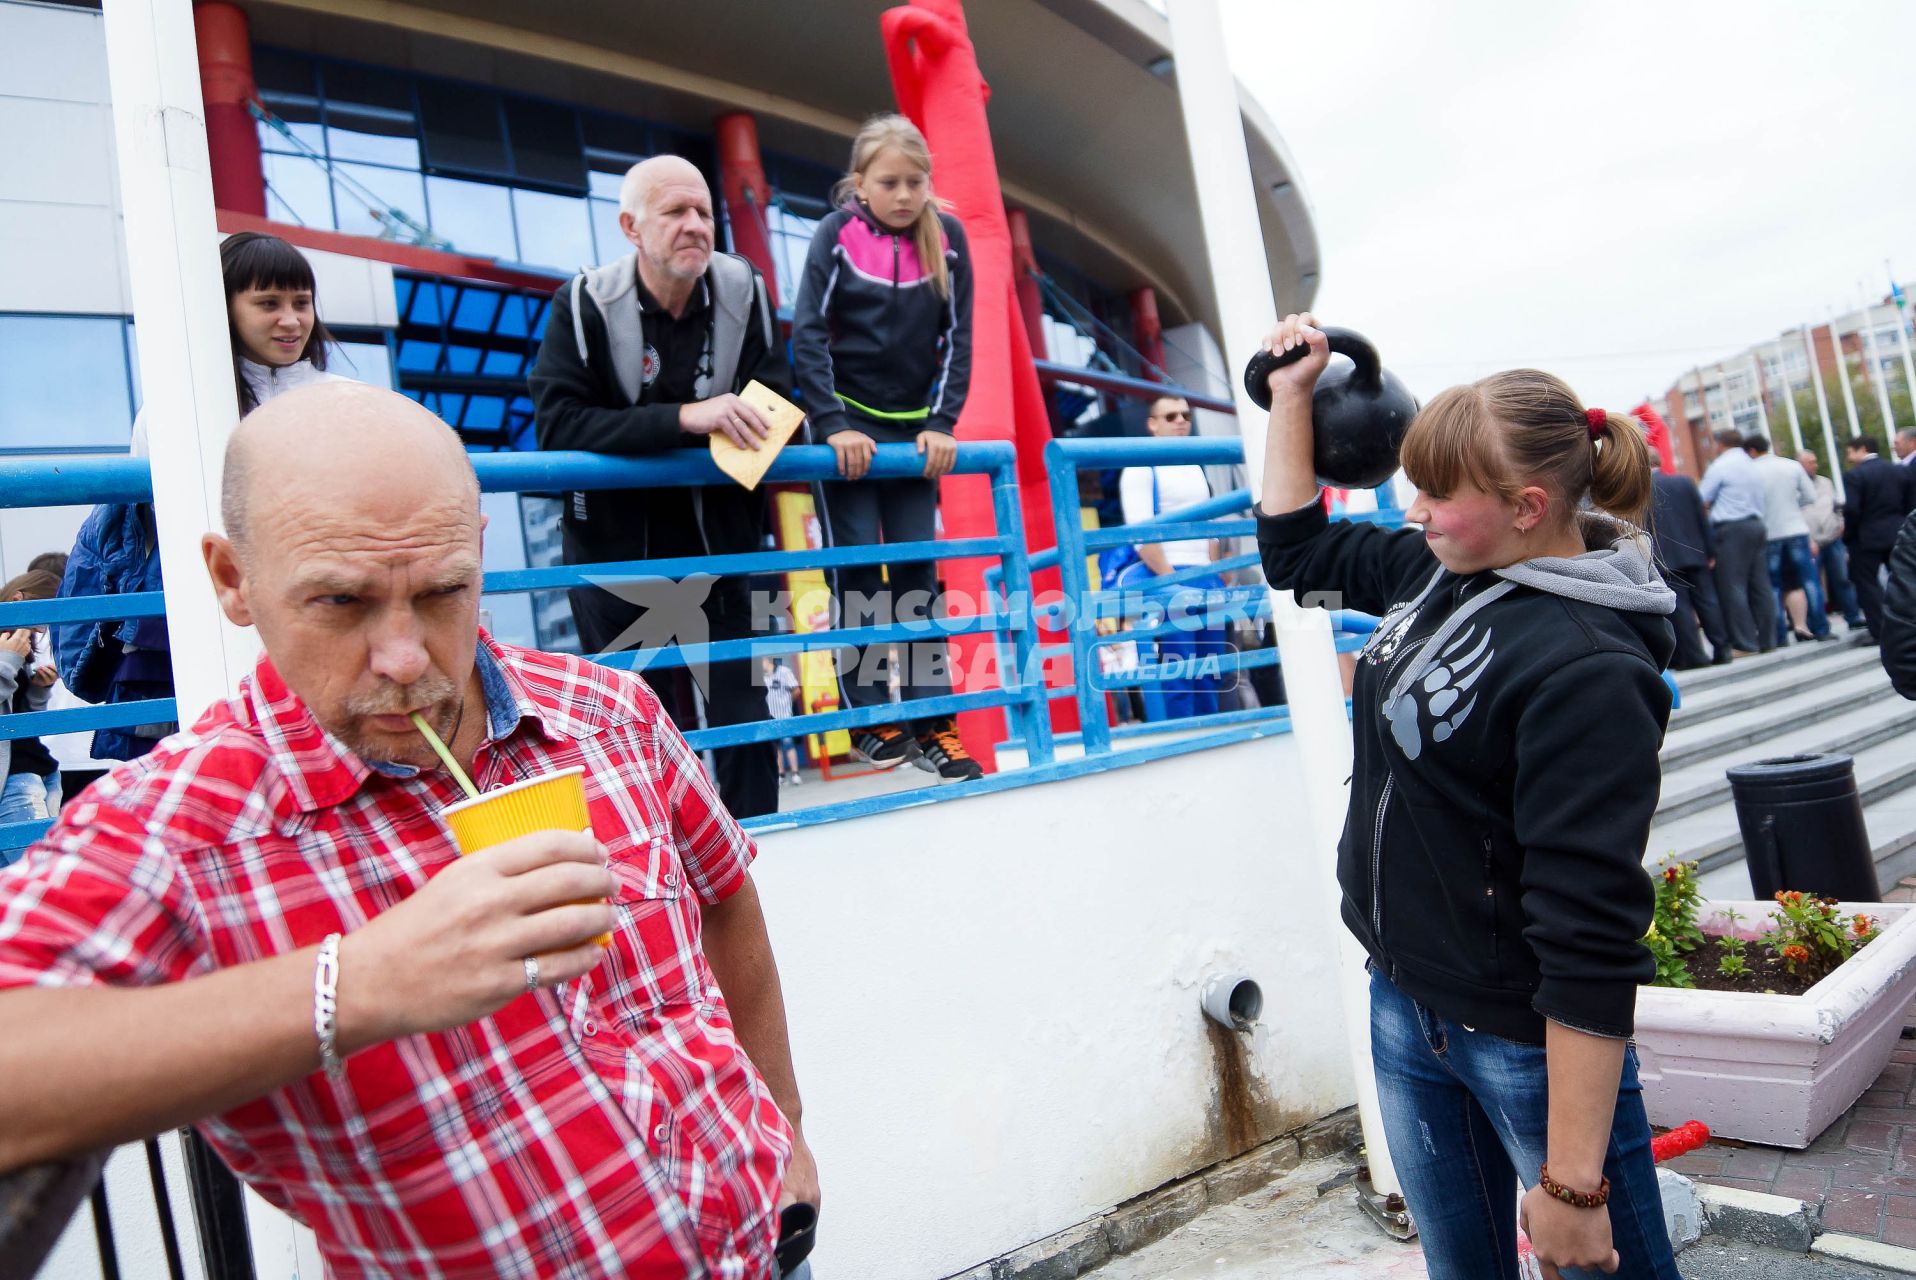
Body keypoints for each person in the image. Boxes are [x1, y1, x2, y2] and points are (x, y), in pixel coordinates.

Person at [0, 383, 819, 1277]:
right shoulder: (184, 831)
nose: (405, 657)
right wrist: (354, 986)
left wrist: (788, 1135)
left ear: (477, 554)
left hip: (762, 1247)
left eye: (441, 593)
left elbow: (727, 899)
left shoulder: (608, 713)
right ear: (234, 581)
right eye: (342, 603)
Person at [1256, 315, 1679, 1280]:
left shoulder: (1587, 667)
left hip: (1522, 1042)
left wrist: (1573, 1187)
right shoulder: (1447, 570)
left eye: (1439, 492)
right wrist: (1291, 396)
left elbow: (1590, 929)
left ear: (1529, 506)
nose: (1414, 509)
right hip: (1405, 1002)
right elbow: (1296, 553)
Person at [529, 154, 786, 819]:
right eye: (675, 212)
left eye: (704, 212)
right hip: (615, 555)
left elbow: (779, 394)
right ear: (631, 227)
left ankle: (759, 856)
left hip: (721, 543)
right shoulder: (583, 303)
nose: (695, 225)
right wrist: (682, 419)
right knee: (641, 725)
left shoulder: (744, 288)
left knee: (744, 714)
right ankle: (663, 862)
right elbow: (558, 424)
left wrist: (760, 422)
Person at [56, 231, 342, 761]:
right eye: (268, 303)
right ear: (223, 308)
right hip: (207, 618)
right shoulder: (169, 407)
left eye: (301, 303)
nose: (291, 320)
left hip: (315, 610)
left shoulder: (344, 401)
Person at [791, 113, 981, 781]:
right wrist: (830, 421)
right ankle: (872, 716)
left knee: (917, 581)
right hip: (846, 428)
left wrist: (944, 421)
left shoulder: (947, 237)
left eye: (915, 181)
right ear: (861, 185)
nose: (904, 194)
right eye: (890, 182)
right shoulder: (836, 234)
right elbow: (807, 331)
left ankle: (938, 726)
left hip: (912, 432)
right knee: (858, 576)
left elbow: (959, 339)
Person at [1114, 394, 1229, 720]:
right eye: (1170, 416)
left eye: (1185, 415)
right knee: (1180, 669)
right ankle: (1186, 734)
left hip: (1205, 576)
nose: (1180, 420)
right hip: (1168, 575)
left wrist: (1216, 570)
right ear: (1152, 425)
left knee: (1212, 670)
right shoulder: (1140, 467)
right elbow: (1141, 535)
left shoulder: (1195, 464)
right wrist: (1172, 580)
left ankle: (1213, 733)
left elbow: (1210, 526)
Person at [0, 570, 62, 858]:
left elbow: (21, 721)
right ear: (17, 599)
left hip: (38, 771)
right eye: (39, 620)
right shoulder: (10, 647)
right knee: (37, 879)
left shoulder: (18, 645)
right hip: (15, 780)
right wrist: (8, 660)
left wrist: (38, 690)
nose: (41, 630)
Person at [1698, 427, 1774, 654]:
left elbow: (1702, 498)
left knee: (1733, 585)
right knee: (1761, 585)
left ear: (1720, 444)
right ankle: (1769, 640)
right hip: (1756, 525)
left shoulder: (1721, 466)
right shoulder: (1752, 464)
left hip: (1732, 528)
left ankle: (1744, 642)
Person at [1746, 435, 1829, 644]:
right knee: (1809, 580)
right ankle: (1820, 626)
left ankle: (1779, 634)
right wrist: (1792, 504)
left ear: (1752, 451)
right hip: (1795, 528)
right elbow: (1810, 497)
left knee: (1773, 585)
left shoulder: (1750, 472)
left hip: (1769, 533)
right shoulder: (1791, 466)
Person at [1649, 466, 1730, 668]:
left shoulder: (1641, 488)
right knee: (1708, 601)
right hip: (1696, 553)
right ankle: (1723, 648)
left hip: (1665, 557)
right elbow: (1701, 517)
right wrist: (1710, 550)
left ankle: (1695, 656)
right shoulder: (1685, 482)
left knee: (1681, 608)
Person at [1842, 434, 1912, 642]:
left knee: (1867, 584)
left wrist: (1850, 536)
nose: (1849, 457)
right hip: (1898, 532)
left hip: (1867, 537)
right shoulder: (1899, 471)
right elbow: (1909, 503)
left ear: (1861, 449)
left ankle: (1881, 631)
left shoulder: (1855, 476)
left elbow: (1852, 510)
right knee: (1906, 580)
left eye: (1850, 452)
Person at [1800, 449, 1866, 633]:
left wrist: (1840, 523)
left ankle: (1853, 616)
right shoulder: (1794, 485)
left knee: (1842, 579)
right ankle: (1819, 624)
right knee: (1813, 583)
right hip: (1810, 540)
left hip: (1832, 537)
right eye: (1810, 462)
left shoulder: (1825, 483)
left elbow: (1836, 506)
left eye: (1814, 461)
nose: (1814, 465)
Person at [763, 655, 803, 786]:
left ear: (767, 660)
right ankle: (781, 774)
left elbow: (796, 690)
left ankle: (795, 773)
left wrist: (786, 701)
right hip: (769, 716)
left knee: (788, 744)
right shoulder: (762, 677)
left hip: (784, 715)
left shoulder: (784, 672)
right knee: (776, 747)